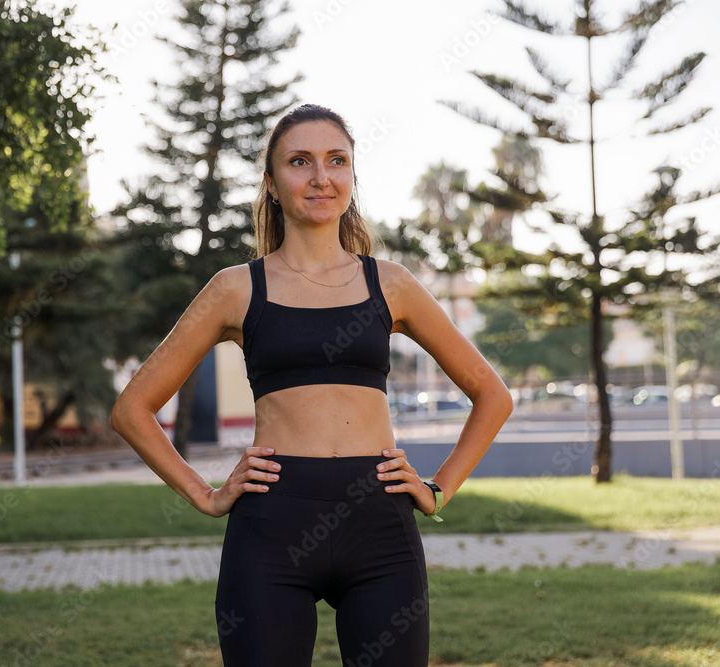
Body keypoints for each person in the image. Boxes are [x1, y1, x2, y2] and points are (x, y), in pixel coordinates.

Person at [110, 103, 514, 666]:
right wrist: (205, 494)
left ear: (352, 176)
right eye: (300, 162)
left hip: (380, 526)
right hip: (271, 526)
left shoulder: (391, 283)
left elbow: (493, 395)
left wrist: (439, 488)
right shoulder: (235, 289)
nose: (321, 177)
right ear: (272, 184)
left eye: (337, 161)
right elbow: (132, 409)